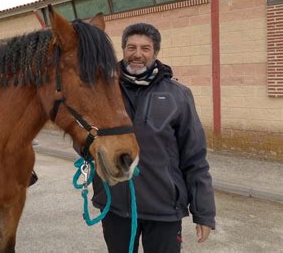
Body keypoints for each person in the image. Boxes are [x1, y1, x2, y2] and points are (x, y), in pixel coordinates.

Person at [92, 23, 216, 253]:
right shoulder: (102, 91)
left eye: (145, 48)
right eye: (131, 47)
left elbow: (195, 156)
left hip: (163, 209)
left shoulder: (178, 95)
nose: (137, 54)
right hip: (116, 207)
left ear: (155, 53)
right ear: (123, 50)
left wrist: (204, 212)